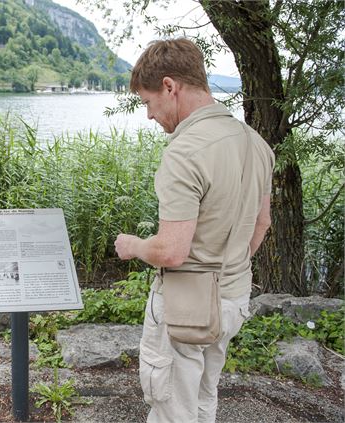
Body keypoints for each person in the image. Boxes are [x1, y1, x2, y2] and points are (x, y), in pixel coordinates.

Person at [114, 38, 275, 422]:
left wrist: (134, 245)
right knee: (204, 400)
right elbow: (262, 223)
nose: (150, 116)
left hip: (185, 311)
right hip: (232, 299)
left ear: (170, 87)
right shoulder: (255, 143)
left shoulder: (184, 152)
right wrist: (226, 271)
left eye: (148, 103)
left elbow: (171, 251)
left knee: (172, 409)